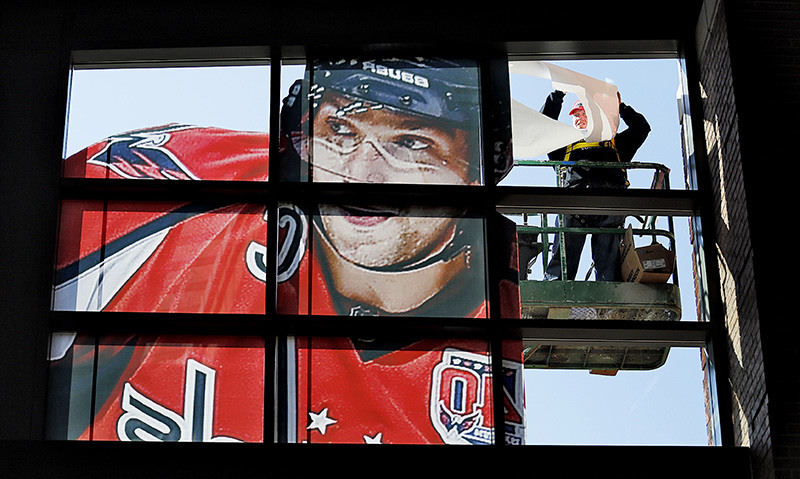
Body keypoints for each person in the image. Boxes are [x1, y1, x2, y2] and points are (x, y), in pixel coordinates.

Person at [48, 57, 524, 445]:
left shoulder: (483, 352)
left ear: (476, 169)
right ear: (300, 131)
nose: (362, 172)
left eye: (411, 143)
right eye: (341, 130)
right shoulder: (172, 186)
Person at [540, 89, 650, 281]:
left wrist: (620, 107)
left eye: (583, 114)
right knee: (563, 260)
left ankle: (608, 301)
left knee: (608, 264)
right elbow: (544, 125)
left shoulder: (615, 144)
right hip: (573, 205)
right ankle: (557, 291)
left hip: (608, 205)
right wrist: (556, 96)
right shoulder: (564, 146)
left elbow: (641, 128)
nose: (579, 119)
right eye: (576, 116)